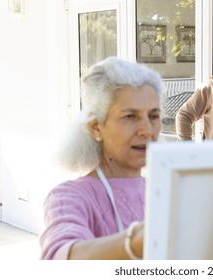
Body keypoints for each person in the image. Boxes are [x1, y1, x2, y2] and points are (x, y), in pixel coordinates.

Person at [39, 57, 163, 260]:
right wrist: (137, 241)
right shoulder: (70, 197)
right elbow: (58, 257)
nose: (147, 131)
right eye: (130, 116)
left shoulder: (165, 190)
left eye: (154, 116)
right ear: (96, 127)